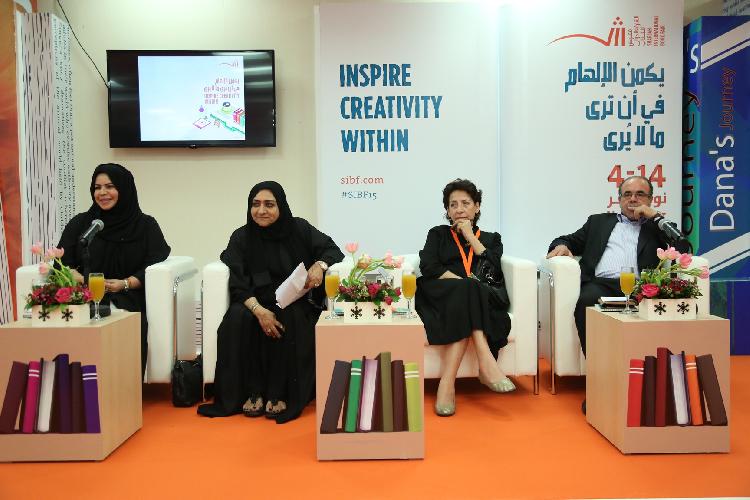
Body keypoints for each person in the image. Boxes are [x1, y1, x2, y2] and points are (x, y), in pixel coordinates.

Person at [198, 181, 344, 423]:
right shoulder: (241, 237)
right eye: (255, 204)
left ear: (281, 206)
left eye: (269, 204)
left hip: (292, 299)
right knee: (237, 318)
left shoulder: (299, 228)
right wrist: (259, 310)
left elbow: (332, 250)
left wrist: (319, 265)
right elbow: (237, 282)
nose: (261, 210)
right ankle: (251, 393)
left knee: (292, 316)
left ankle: (280, 394)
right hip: (252, 299)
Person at [546, 175, 689, 413]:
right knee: (585, 301)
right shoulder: (598, 222)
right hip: (601, 284)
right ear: (619, 199)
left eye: (640, 194)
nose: (633, 199)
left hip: (643, 287)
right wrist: (561, 245)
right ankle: (599, 383)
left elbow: (684, 248)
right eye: (627, 194)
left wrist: (655, 217)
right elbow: (566, 239)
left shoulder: (657, 228)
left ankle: (654, 387)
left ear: (650, 200)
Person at [58, 163, 171, 378]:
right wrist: (82, 280)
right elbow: (62, 262)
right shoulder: (82, 223)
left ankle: (122, 387)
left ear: (124, 189)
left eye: (110, 186)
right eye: (97, 187)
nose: (102, 193)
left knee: (120, 314)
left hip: (127, 295)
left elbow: (154, 261)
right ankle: (76, 386)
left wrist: (126, 283)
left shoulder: (145, 225)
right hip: (84, 294)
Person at [415, 179, 514, 417]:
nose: (459, 209)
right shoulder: (438, 234)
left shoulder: (491, 238)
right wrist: (463, 284)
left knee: (469, 294)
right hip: (439, 294)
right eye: (453, 205)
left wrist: (470, 236)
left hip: (476, 300)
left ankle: (446, 385)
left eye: (465, 203)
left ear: (477, 207)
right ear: (447, 211)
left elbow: (494, 268)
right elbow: (429, 266)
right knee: (468, 288)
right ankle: (486, 363)